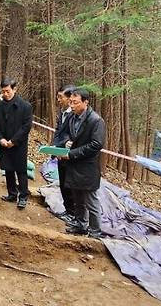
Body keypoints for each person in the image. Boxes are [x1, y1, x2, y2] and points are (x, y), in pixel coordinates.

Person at [60, 88, 105, 239]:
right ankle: (80, 224)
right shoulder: (72, 117)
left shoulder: (96, 120)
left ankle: (95, 231)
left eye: (76, 103)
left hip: (87, 166)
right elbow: (64, 132)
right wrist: (66, 142)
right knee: (77, 197)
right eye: (71, 102)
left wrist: (72, 153)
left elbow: (96, 144)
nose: (72, 105)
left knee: (91, 200)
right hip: (73, 165)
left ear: (86, 102)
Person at [0, 78, 33, 209]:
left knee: (21, 171)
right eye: (3, 92)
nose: (5, 94)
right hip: (4, 143)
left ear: (14, 89)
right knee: (8, 169)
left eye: (8, 91)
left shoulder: (25, 106)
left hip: (19, 144)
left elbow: (26, 127)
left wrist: (13, 141)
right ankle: (12, 193)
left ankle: (23, 197)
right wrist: (1, 139)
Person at [53, 85, 76, 223]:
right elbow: (58, 132)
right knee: (62, 183)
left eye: (61, 97)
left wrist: (66, 143)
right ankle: (67, 210)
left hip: (69, 156)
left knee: (69, 185)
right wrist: (54, 147)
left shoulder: (74, 115)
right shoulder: (62, 113)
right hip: (60, 154)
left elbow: (72, 135)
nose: (58, 100)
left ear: (69, 98)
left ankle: (73, 213)